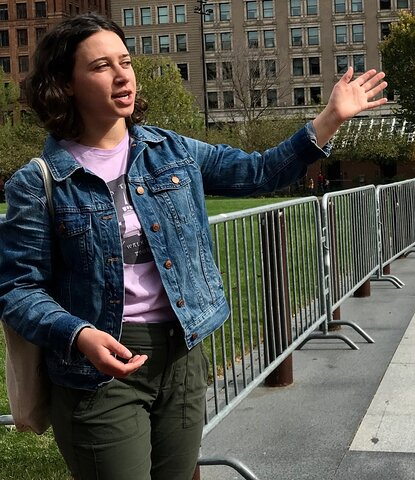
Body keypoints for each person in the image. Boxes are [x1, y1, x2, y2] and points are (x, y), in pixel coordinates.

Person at [0, 13, 388, 480]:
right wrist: (79, 334)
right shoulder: (38, 183)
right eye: (101, 66)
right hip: (97, 369)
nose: (122, 75)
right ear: (65, 84)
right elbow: (18, 289)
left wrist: (330, 118)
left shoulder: (172, 151)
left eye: (125, 61)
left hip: (182, 354)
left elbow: (258, 171)